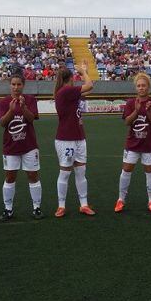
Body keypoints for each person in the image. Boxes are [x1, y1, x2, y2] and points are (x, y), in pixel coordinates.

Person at [115, 73, 151, 213]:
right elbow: (127, 122)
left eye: (144, 85)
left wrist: (148, 111)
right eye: (139, 86)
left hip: (149, 144)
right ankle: (121, 199)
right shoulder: (131, 103)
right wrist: (136, 111)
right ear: (136, 88)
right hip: (132, 144)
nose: (141, 88)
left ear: (148, 87)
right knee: (126, 170)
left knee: (150, 172)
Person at [0, 74, 43, 221]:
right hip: (10, 147)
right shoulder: (4, 102)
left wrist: (23, 107)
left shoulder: (30, 100)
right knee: (10, 177)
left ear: (23, 85)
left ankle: (36, 208)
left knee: (33, 176)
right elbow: (3, 123)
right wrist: (11, 111)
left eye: (19, 84)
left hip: (29, 145)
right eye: (13, 84)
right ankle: (8, 209)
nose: (16, 87)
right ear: (9, 85)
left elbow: (31, 119)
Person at [54, 61, 95, 217]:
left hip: (78, 137)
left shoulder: (68, 92)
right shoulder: (65, 91)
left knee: (80, 171)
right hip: (66, 139)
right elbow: (89, 85)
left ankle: (83, 204)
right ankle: (61, 205)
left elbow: (88, 89)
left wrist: (85, 73)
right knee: (65, 172)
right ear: (70, 79)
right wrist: (83, 71)